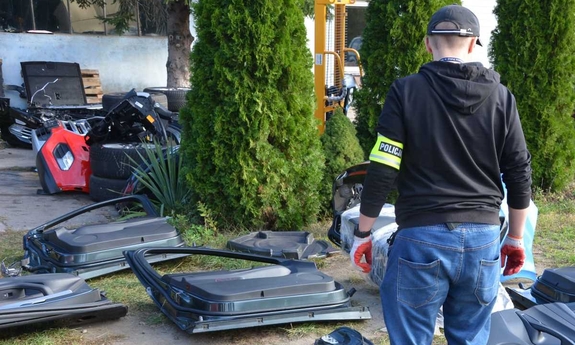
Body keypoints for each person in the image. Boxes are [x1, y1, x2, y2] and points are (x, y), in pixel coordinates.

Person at [350, 5, 532, 345]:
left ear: (428, 44)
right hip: (483, 240)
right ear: (474, 42)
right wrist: (516, 238)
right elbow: (519, 170)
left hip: (421, 239)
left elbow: (384, 166)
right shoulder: (502, 98)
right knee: (471, 337)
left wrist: (363, 232)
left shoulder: (406, 91)